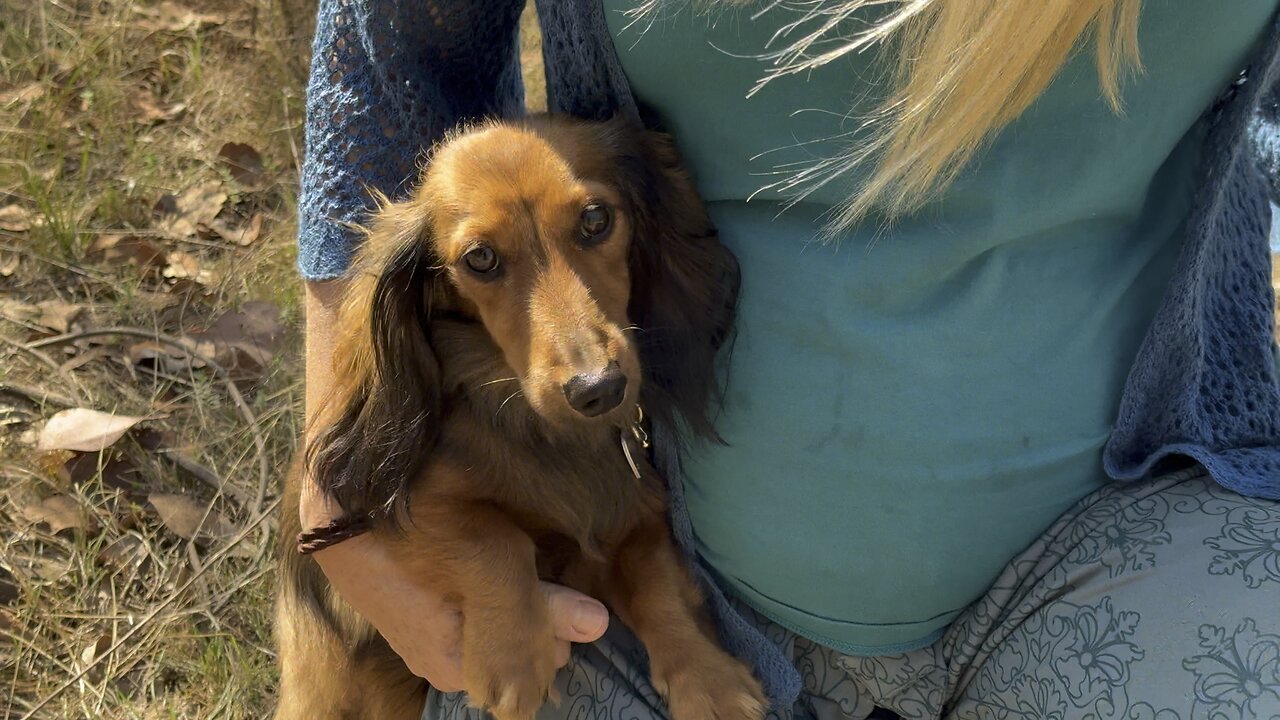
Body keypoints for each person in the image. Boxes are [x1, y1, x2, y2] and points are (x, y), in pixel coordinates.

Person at [295, 1, 1280, 718]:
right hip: (648, 611)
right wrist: (337, 495)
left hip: (1138, 535)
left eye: (594, 224)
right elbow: (390, 57)